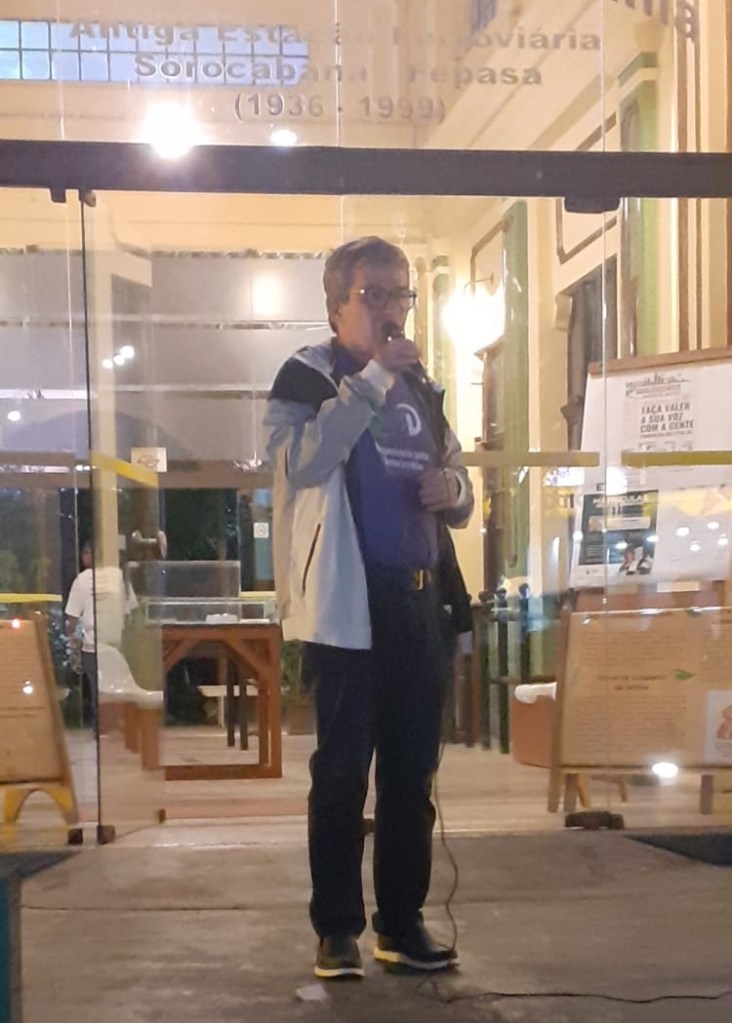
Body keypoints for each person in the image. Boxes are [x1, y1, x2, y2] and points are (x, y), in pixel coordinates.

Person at [265, 237, 474, 980]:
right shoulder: (306, 378)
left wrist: (455, 493)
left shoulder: (422, 385)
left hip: (419, 603)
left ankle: (401, 923)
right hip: (346, 607)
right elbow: (303, 463)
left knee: (411, 776)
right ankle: (336, 929)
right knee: (342, 774)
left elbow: (457, 475)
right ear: (336, 306)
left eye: (401, 295)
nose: (392, 310)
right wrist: (375, 378)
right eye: (374, 295)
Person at [65, 541, 137, 726]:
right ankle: (117, 723)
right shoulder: (118, 576)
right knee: (117, 687)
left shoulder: (82, 580)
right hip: (115, 644)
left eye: (86, 552)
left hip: (93, 645)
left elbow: (72, 618)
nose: (84, 556)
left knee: (98, 689)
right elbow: (130, 612)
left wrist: (73, 640)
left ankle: (102, 725)